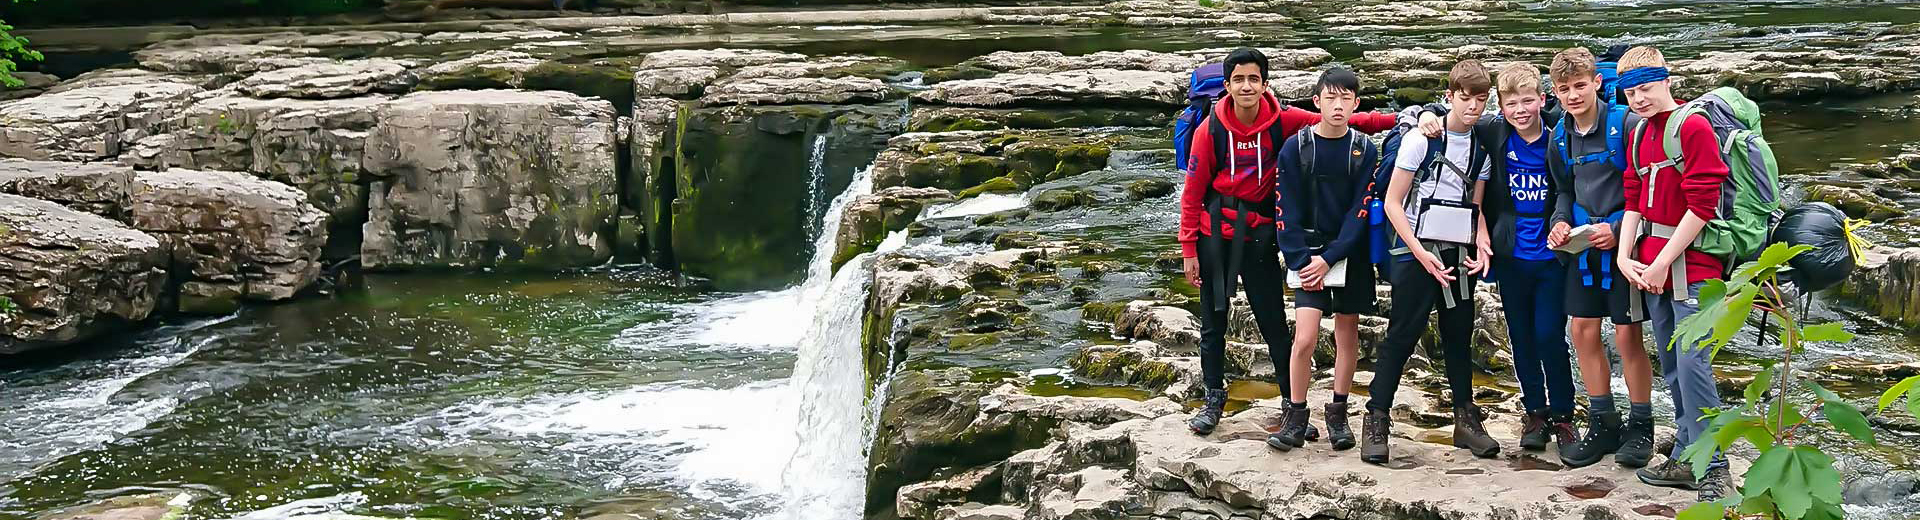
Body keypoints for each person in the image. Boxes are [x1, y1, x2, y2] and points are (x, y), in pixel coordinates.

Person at [1178, 48, 1409, 436]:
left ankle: (1292, 405)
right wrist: (1188, 250)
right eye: (1239, 80)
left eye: (1254, 79)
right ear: (1227, 86)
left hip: (1260, 233)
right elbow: (1192, 190)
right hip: (1215, 232)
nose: (1247, 86)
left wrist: (1404, 118)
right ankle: (1213, 397)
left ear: (1265, 83)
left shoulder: (1281, 121)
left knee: (1272, 321)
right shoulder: (1210, 130)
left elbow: (1344, 120)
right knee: (1214, 321)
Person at [1362, 59, 1499, 464]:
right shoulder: (1421, 141)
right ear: (1449, 96)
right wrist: (1421, 254)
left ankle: (1465, 419)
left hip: (1457, 252)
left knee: (1459, 335)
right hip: (1413, 251)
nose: (1472, 106)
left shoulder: (1481, 151)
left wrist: (1483, 241)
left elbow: (1476, 206)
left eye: (1480, 99)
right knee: (1403, 334)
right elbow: (1392, 203)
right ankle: (1376, 417)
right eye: (1465, 97)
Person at [1614, 45, 1734, 502]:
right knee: (1671, 364)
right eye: (1629, 92)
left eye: (1645, 88)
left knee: (1693, 364)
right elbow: (1632, 197)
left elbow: (1703, 204)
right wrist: (1626, 256)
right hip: (1650, 266)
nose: (1638, 99)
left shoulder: (1693, 126)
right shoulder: (1640, 132)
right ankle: (1687, 452)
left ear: (1667, 80)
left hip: (1693, 267)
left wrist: (1662, 260)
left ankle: (1714, 465)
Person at [1546, 47, 1659, 470]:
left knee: (1628, 337)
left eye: (1580, 85)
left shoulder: (1625, 125)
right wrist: (1559, 223)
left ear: (1597, 83)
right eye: (1564, 89)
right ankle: (1603, 421)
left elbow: (1646, 188)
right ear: (1554, 93)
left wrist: (1620, 231)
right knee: (1583, 331)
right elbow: (1564, 190)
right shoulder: (1560, 135)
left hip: (1625, 247)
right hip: (1582, 250)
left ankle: (1642, 424)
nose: (1573, 95)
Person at [1267, 67, 1379, 452]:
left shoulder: (1365, 150)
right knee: (1305, 338)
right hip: (1306, 254)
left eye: (1345, 99)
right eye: (1330, 98)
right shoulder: (1296, 148)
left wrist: (1330, 258)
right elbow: (1285, 210)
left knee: (1348, 335)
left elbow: (1360, 211)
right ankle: (1296, 417)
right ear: (1316, 102)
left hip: (1349, 253)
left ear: (1356, 104)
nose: (1338, 105)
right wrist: (1301, 259)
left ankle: (1338, 412)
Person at [1473, 62, 1581, 452]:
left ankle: (1564, 416)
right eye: (1512, 103)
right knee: (1520, 336)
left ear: (1542, 99)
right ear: (1500, 107)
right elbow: (1447, 114)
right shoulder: (1494, 132)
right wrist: (1427, 117)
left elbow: (1566, 188)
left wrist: (1562, 219)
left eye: (1528, 101)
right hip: (1511, 254)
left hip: (1552, 256)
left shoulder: (1559, 134)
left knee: (1549, 334)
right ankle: (1535, 412)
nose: (1521, 110)